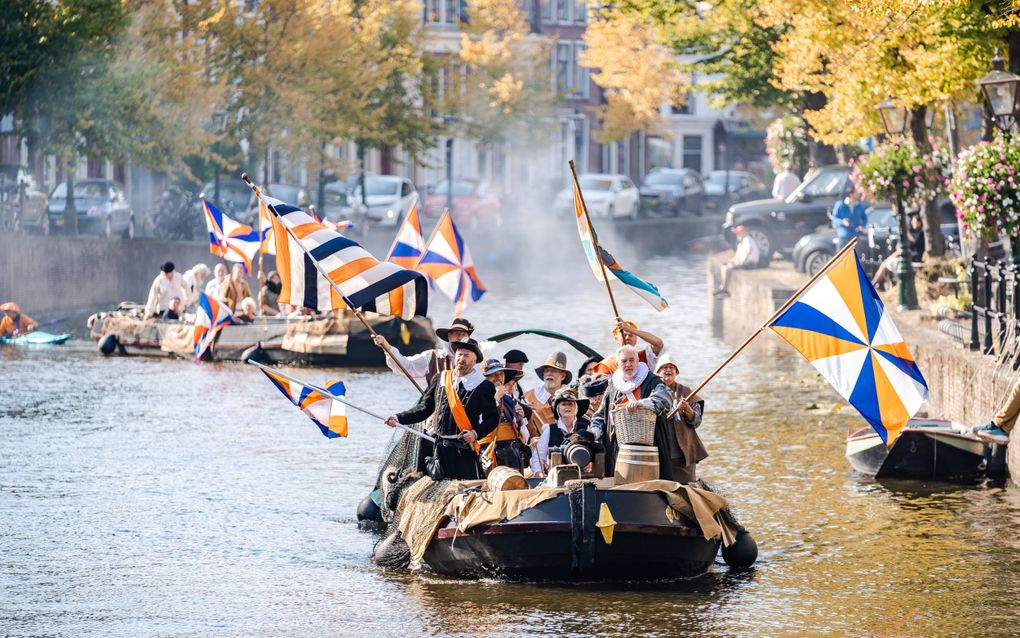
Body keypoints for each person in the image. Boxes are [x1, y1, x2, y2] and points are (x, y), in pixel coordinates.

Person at [384, 338, 498, 480]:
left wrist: (475, 433)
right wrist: (398, 417)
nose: (461, 359)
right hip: (439, 449)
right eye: (459, 354)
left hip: (464, 451)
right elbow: (425, 408)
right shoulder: (440, 378)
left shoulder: (483, 386)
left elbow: (492, 418)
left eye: (466, 355)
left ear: (474, 360)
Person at [590, 344, 678, 481]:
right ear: (618, 364)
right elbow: (601, 415)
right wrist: (594, 432)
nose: (628, 364)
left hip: (649, 445)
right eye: (624, 361)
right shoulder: (613, 386)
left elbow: (665, 399)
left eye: (632, 360)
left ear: (638, 361)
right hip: (617, 448)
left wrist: (641, 404)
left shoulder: (651, 381)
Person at [374, 317, 476, 386]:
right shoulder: (432, 356)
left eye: (463, 334)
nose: (459, 337)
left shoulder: (477, 360)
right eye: (456, 334)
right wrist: (386, 347)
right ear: (449, 336)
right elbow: (406, 365)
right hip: (439, 411)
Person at [655, 355, 707, 482]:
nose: (668, 370)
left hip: (682, 455)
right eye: (664, 367)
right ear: (657, 372)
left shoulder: (685, 391)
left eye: (672, 367)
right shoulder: (652, 391)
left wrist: (688, 409)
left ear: (676, 372)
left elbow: (697, 421)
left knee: (687, 491)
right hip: (659, 454)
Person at [477, 359, 531, 472]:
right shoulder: (476, 397)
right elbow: (478, 423)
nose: (499, 378)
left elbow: (524, 438)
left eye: (501, 374)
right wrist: (495, 398)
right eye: (494, 375)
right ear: (485, 378)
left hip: (512, 455)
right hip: (489, 454)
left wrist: (520, 419)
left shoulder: (509, 400)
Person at [532, 386, 591, 476]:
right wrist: (539, 473)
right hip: (556, 477)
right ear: (558, 409)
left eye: (570, 404)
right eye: (564, 404)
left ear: (576, 408)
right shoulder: (550, 429)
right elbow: (539, 456)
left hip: (583, 475)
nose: (567, 407)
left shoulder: (585, 428)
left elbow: (595, 451)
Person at [523, 351, 572, 436]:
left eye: (553, 371)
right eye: (546, 371)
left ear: (563, 376)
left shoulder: (572, 397)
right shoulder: (528, 397)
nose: (549, 373)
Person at [872, 214, 926, 291]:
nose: (912, 223)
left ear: (919, 222)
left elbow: (914, 242)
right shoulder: (912, 231)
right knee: (885, 264)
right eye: (912, 221)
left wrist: (906, 233)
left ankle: (876, 283)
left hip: (914, 257)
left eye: (914, 222)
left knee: (887, 264)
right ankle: (876, 283)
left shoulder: (921, 232)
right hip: (906, 256)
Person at [592, 320, 664, 375]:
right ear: (616, 338)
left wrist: (632, 330)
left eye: (631, 335)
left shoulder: (643, 357)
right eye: (624, 334)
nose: (627, 338)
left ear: (636, 339)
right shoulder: (607, 364)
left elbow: (658, 343)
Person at [714, 225, 761, 298]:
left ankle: (724, 289)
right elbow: (736, 257)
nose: (737, 235)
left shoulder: (747, 239)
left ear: (743, 233)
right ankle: (723, 288)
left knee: (727, 268)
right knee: (723, 266)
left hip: (749, 264)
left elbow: (749, 251)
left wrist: (741, 262)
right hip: (745, 263)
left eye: (738, 233)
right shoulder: (740, 244)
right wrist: (729, 262)